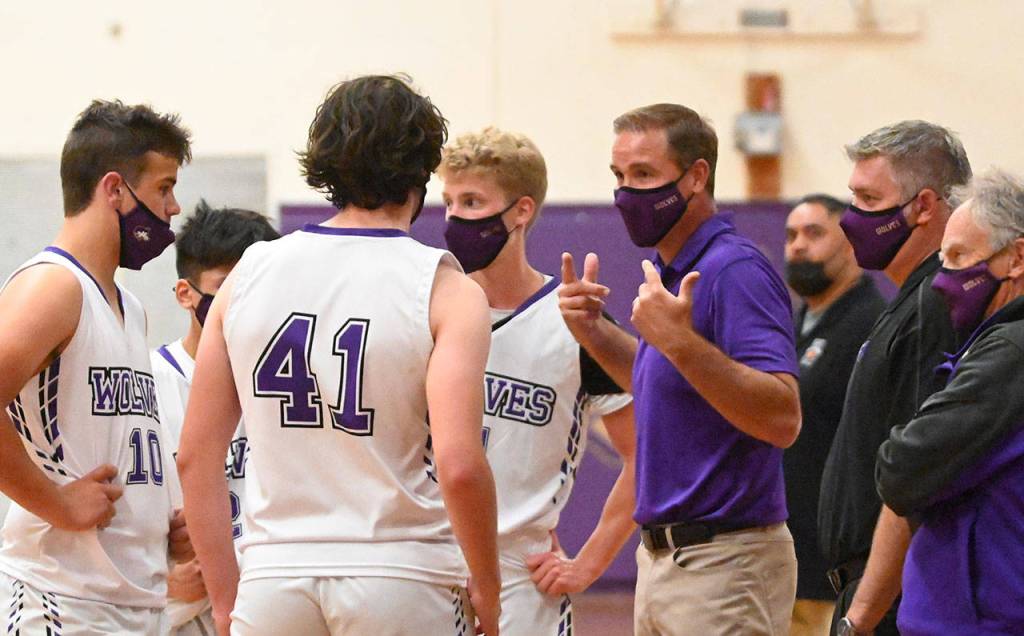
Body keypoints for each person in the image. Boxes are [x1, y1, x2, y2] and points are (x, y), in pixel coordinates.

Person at [176, 75, 501, 636]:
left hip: (273, 578)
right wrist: (490, 588)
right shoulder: (446, 288)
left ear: (325, 165)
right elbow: (460, 465)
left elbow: (194, 458)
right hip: (401, 575)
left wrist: (228, 600)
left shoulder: (247, 274)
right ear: (422, 171)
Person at [559, 103, 801, 635]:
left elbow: (783, 416)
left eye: (644, 174)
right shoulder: (678, 269)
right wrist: (594, 332)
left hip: (725, 560)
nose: (627, 193)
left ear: (696, 176)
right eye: (619, 176)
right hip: (666, 561)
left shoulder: (733, 269)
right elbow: (665, 385)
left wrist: (682, 343)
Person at [0, 100, 194, 633]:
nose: (174, 207)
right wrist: (57, 505)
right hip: (62, 600)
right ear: (114, 189)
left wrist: (161, 525)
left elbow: (108, 441)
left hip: (134, 603)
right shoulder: (52, 286)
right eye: (163, 187)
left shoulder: (130, 307)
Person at [437, 126, 637, 635]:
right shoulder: (429, 310)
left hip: (520, 578)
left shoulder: (572, 320)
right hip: (426, 564)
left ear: (521, 211)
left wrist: (590, 562)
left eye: (472, 200)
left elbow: (649, 451)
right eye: (449, 201)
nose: (456, 216)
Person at [817, 120, 970, 636]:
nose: (851, 219)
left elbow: (916, 478)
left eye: (867, 199)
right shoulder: (904, 301)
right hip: (869, 590)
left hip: (893, 600)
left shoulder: (935, 306)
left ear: (924, 206)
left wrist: (861, 616)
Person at [876, 169, 1024, 635]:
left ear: (1016, 258)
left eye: (959, 256)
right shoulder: (991, 344)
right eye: (942, 259)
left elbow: (901, 468)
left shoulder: (1010, 352)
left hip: (980, 618)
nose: (944, 279)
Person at [151, 201, 280, 634]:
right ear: (186, 293)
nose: (242, 302)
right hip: (176, 614)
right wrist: (161, 578)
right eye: (227, 287)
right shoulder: (147, 382)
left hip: (269, 604)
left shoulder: (290, 383)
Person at [783, 194, 886, 636]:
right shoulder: (793, 325)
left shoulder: (871, 326)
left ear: (850, 244)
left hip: (835, 562)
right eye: (790, 235)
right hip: (785, 551)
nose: (798, 245)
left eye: (814, 233)